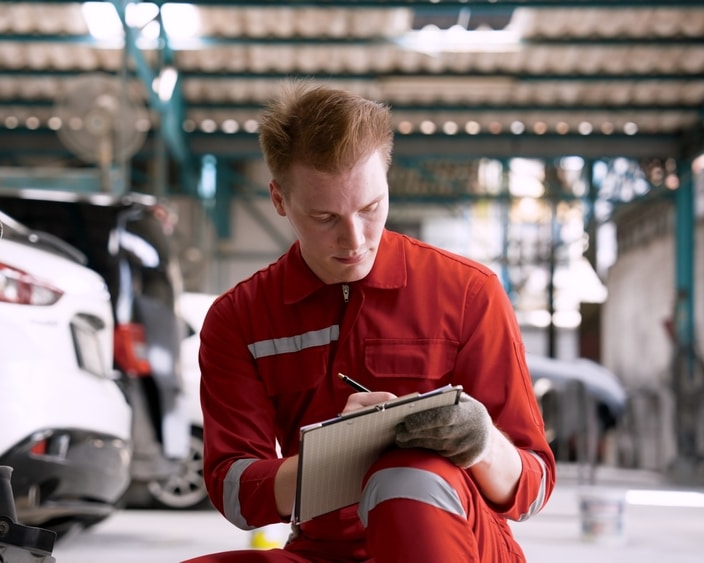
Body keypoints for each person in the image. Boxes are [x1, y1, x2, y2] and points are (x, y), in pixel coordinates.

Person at [183, 81, 555, 563]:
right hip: (325, 550)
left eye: (370, 207)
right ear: (279, 199)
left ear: (387, 183)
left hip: (460, 542)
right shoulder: (239, 319)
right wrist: (339, 456)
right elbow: (234, 491)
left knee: (405, 475)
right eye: (324, 217)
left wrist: (481, 443)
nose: (354, 239)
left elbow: (534, 486)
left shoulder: (467, 293)